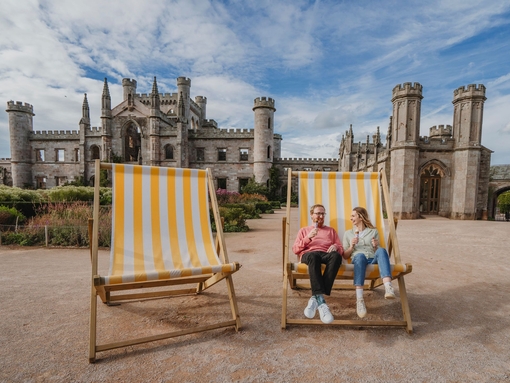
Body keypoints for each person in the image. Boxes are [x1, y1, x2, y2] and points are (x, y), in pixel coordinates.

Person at [292, 204, 346, 324]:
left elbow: (341, 249)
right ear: (312, 215)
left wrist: (336, 246)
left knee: (336, 256)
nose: (321, 216)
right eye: (318, 213)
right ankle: (321, 303)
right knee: (313, 256)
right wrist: (308, 238)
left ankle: (316, 297)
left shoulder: (330, 231)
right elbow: (295, 249)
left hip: (326, 253)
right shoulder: (304, 230)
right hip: (309, 254)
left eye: (323, 214)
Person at [342, 206, 396, 319]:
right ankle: (360, 300)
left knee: (381, 250)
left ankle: (388, 287)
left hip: (373, 260)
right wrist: (351, 246)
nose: (350, 218)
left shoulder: (373, 231)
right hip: (358, 260)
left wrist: (376, 246)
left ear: (360, 217)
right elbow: (345, 255)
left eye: (353, 216)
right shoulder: (348, 234)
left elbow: (378, 253)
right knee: (360, 255)